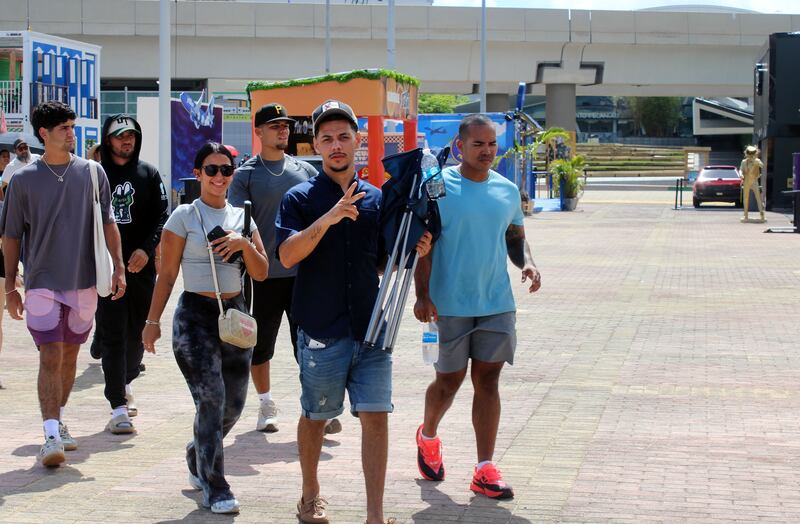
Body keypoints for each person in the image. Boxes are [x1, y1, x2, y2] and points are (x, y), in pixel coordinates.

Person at [276, 99, 431, 524]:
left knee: (376, 417)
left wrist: (412, 250)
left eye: (344, 136)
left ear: (357, 142)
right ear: (316, 145)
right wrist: (328, 218)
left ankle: (375, 515)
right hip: (321, 328)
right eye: (327, 138)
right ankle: (310, 494)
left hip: (371, 326)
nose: (336, 145)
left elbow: (381, 261)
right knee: (316, 415)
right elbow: (287, 256)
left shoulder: (378, 198)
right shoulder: (299, 198)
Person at [413, 114, 541, 500]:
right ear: (459, 147)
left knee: (488, 382)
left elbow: (516, 238)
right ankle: (428, 434)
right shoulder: (438, 188)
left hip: (496, 303)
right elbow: (424, 247)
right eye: (478, 144)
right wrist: (422, 295)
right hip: (448, 305)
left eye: (491, 145)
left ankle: (484, 468)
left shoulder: (506, 190)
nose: (486, 151)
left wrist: (529, 263)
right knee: (448, 382)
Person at [142, 142, 268, 514]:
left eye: (226, 170)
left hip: (235, 315)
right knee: (211, 399)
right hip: (195, 317)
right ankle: (216, 486)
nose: (218, 177)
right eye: (211, 169)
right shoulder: (183, 216)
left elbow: (261, 272)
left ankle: (199, 451)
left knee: (234, 405)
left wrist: (243, 244)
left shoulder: (243, 217)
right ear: (197, 174)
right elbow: (165, 276)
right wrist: (151, 323)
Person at [0, 101, 126, 467]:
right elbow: (10, 236)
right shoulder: (22, 179)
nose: (72, 133)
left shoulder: (92, 172)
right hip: (40, 281)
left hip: (85, 281)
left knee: (71, 353)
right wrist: (10, 286)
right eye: (64, 128)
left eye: (72, 127)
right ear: (44, 133)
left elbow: (108, 223)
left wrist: (118, 267)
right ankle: (51, 434)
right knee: (51, 352)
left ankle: (59, 419)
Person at [229, 103, 343, 434]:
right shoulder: (247, 174)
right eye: (275, 125)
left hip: (303, 276)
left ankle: (320, 404)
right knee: (259, 344)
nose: (283, 130)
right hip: (262, 275)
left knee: (309, 343)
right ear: (259, 132)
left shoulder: (306, 171)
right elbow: (237, 222)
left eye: (285, 125)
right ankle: (265, 404)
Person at [89, 114, 168, 434]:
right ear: (108, 140)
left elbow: (162, 216)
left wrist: (146, 250)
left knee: (138, 335)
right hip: (106, 268)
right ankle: (117, 405)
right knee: (113, 335)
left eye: (132, 135)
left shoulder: (149, 173)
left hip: (141, 268)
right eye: (120, 135)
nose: (127, 141)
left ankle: (126, 380)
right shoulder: (94, 174)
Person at [740, 145, 766, 222]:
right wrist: (741, 174)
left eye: (752, 154)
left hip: (754, 181)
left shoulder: (757, 160)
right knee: (745, 198)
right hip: (746, 181)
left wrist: (755, 161)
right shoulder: (743, 162)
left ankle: (762, 215)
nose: (750, 156)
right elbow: (741, 169)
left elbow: (762, 165)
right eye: (749, 153)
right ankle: (746, 216)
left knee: (758, 198)